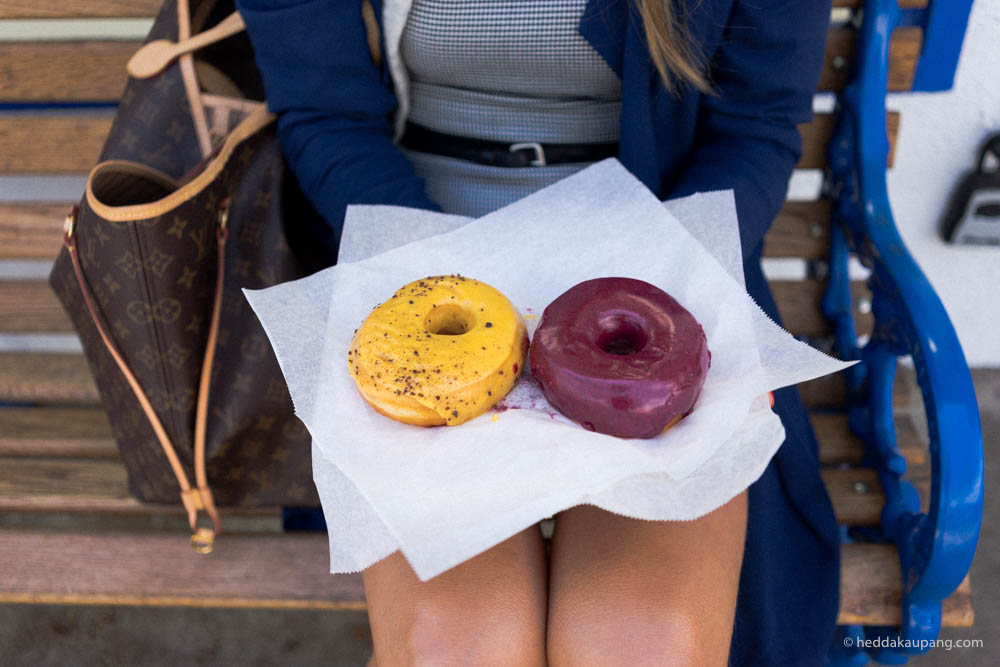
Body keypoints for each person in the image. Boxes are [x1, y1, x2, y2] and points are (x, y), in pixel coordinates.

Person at [237, 0, 838, 663]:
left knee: (642, 641)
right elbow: (327, 114)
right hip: (410, 266)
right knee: (459, 646)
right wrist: (438, 273)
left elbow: (754, 126)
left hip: (659, 269)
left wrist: (674, 277)